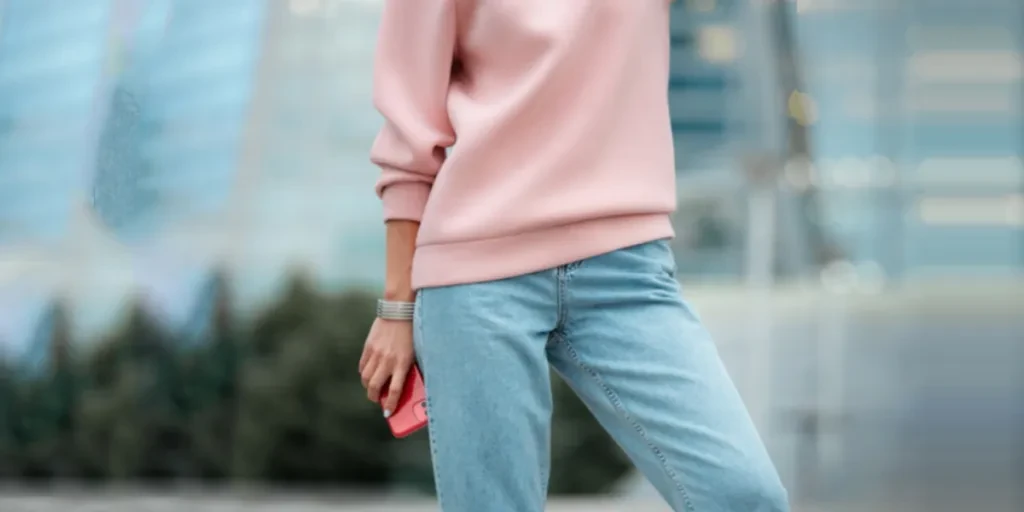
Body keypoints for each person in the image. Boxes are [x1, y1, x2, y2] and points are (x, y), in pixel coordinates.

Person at [358, 1, 789, 510]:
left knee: (745, 496)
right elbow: (410, 136)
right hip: (477, 280)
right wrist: (397, 306)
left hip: (626, 272)